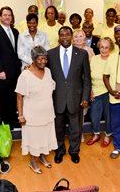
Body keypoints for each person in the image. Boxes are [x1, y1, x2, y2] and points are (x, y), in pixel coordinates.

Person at [47, 26, 91, 164]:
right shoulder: (51, 54)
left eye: (67, 34)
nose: (65, 37)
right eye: (62, 35)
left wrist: (85, 98)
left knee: (75, 128)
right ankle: (59, 151)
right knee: (58, 128)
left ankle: (74, 151)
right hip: (57, 98)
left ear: (71, 36)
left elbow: (87, 79)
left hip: (75, 98)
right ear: (59, 37)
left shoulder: (82, 54)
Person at [15, 46, 58, 174]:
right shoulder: (25, 75)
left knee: (45, 137)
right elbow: (19, 96)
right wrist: (21, 116)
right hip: (32, 115)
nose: (43, 61)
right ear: (33, 59)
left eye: (45, 59)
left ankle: (43, 157)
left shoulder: (48, 71)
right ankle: (33, 161)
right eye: (40, 59)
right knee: (34, 139)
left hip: (47, 113)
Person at [0, 6, 21, 128]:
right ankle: (6, 122)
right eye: (5, 15)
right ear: (0, 17)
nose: (7, 17)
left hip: (15, 72)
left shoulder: (15, 31)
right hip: (3, 73)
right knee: (4, 97)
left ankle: (13, 119)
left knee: (13, 96)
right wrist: (0, 70)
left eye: (9, 15)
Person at [87, 37, 114, 147]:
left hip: (109, 92)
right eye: (102, 47)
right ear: (98, 47)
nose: (104, 50)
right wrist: (90, 90)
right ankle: (96, 134)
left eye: (106, 47)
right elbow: (88, 76)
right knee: (94, 115)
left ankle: (108, 135)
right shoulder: (94, 59)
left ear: (110, 48)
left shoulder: (114, 59)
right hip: (96, 92)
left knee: (109, 116)